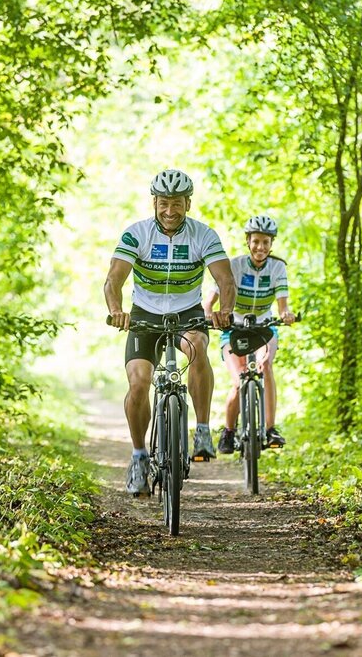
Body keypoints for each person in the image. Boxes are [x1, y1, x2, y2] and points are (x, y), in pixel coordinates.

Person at [105, 169, 236, 496]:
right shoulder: (136, 234)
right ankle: (139, 456)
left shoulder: (204, 235)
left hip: (187, 313)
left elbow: (225, 280)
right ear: (154, 202)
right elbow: (114, 280)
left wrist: (225, 311)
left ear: (187, 203)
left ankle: (202, 430)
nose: (169, 211)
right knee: (139, 383)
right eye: (164, 203)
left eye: (176, 203)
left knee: (197, 346)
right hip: (144, 315)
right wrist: (116, 310)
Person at [203, 215, 296, 454]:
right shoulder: (234, 265)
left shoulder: (277, 267)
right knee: (239, 380)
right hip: (233, 328)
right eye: (256, 241)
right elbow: (210, 300)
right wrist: (208, 314)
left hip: (264, 327)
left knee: (265, 366)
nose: (260, 247)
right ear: (248, 241)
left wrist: (286, 314)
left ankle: (270, 429)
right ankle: (228, 431)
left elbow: (282, 306)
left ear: (271, 244)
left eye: (266, 242)